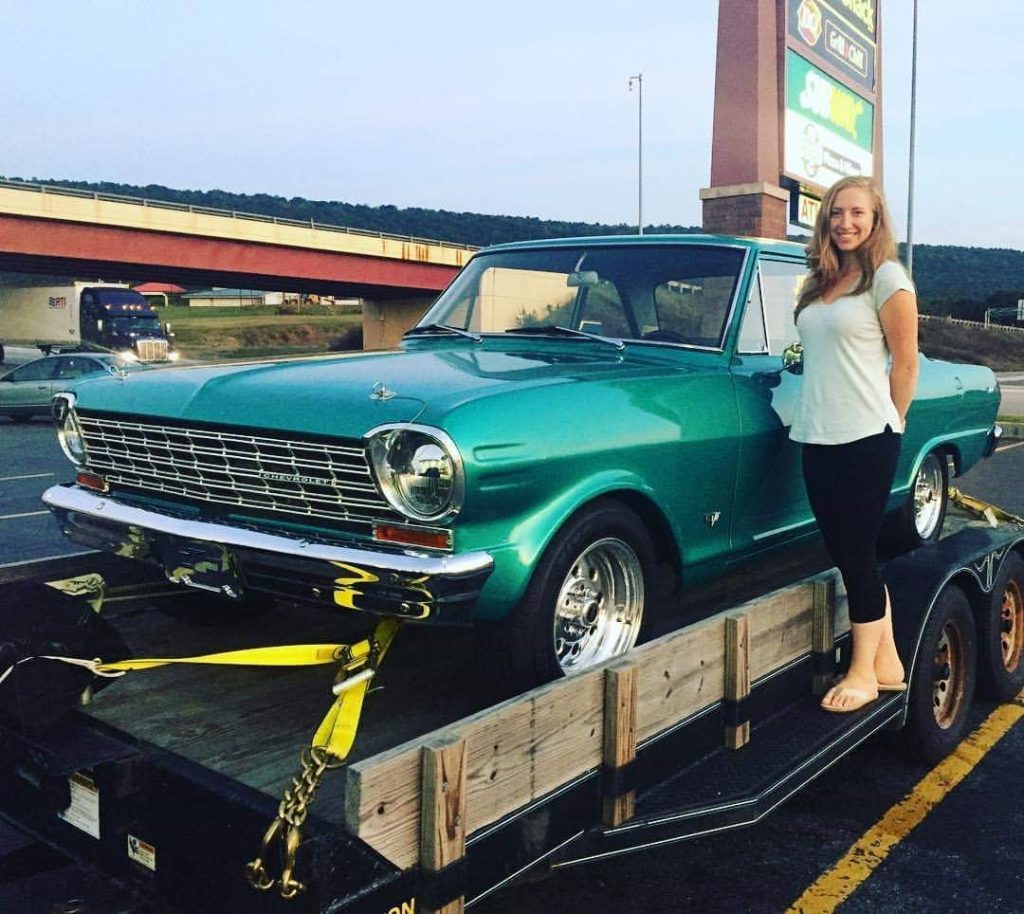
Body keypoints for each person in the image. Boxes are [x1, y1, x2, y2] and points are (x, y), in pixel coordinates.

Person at [789, 175, 919, 713]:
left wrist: (893, 422)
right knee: (846, 553)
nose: (846, 223)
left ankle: (862, 672)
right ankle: (887, 663)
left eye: (857, 213)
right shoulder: (819, 281)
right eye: (837, 212)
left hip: (867, 436)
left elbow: (906, 363)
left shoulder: (887, 277)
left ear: (875, 219)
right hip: (815, 434)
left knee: (857, 556)